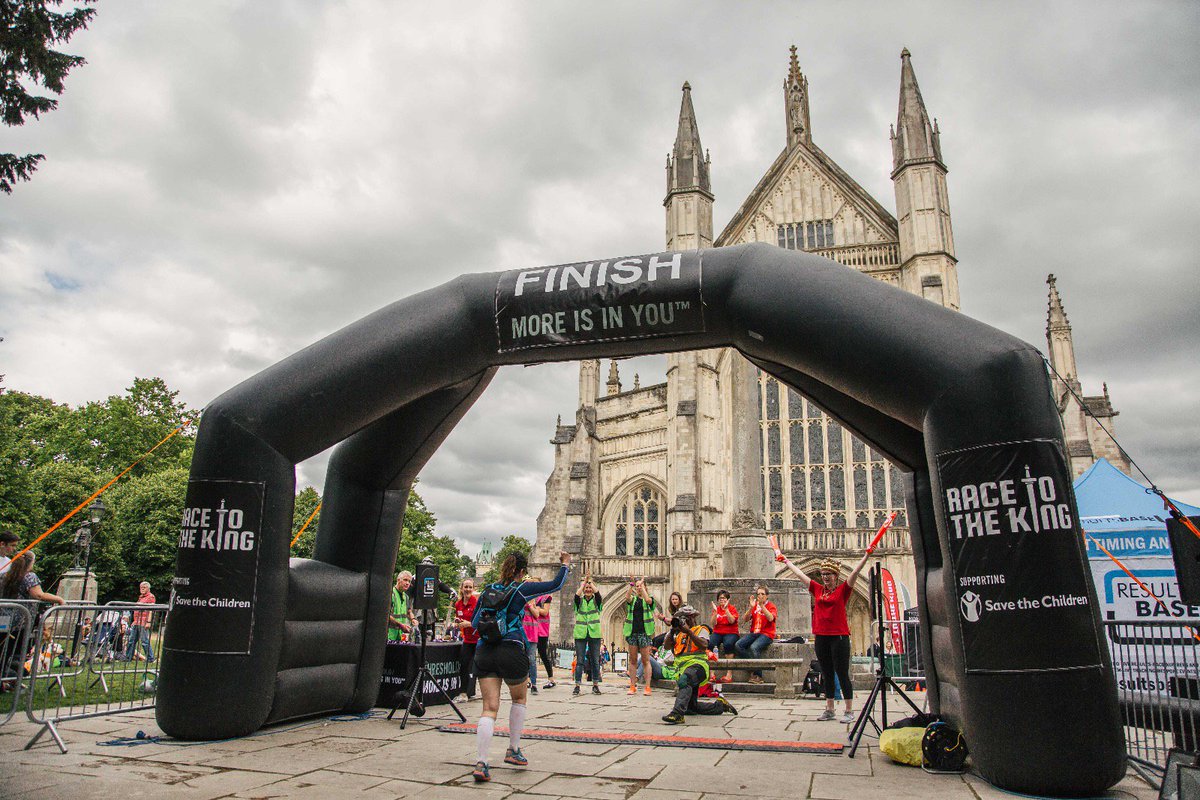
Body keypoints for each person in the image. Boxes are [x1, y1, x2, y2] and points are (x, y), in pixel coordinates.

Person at [470, 550, 571, 783]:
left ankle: (482, 762)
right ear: (523, 571)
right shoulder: (522, 589)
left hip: (485, 651)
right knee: (518, 700)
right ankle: (513, 750)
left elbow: (476, 623)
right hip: (510, 649)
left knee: (489, 708)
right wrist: (565, 564)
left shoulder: (487, 590)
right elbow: (555, 585)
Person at [778, 553, 869, 723]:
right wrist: (786, 561)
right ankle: (830, 709)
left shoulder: (843, 590)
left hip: (839, 636)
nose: (826, 577)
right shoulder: (817, 589)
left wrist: (866, 555)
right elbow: (800, 574)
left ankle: (849, 711)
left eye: (829, 574)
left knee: (842, 673)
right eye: (824, 574)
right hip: (821, 636)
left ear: (836, 576)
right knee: (826, 673)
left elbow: (855, 572)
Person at [660, 605, 737, 724]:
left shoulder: (701, 629)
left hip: (698, 667)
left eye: (685, 618)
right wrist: (672, 631)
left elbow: (704, 645)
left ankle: (677, 714)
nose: (683, 621)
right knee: (691, 708)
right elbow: (666, 646)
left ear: (692, 618)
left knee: (684, 681)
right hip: (684, 669)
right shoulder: (678, 634)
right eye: (681, 618)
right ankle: (720, 706)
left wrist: (689, 632)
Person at [734, 586, 777, 683]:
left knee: (754, 647)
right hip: (755, 632)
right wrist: (750, 608)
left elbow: (770, 618)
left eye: (762, 594)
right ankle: (753, 666)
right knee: (738, 645)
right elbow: (745, 619)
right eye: (758, 594)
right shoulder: (755, 606)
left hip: (767, 634)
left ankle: (758, 676)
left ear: (767, 596)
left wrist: (762, 606)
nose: (760, 596)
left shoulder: (771, 606)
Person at [624, 577, 655, 696]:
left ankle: (648, 686)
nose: (638, 588)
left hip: (644, 632)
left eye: (640, 586)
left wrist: (643, 588)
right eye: (637, 586)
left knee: (645, 660)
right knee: (632, 660)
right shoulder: (633, 600)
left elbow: (648, 600)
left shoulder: (649, 599)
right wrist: (631, 585)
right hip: (633, 632)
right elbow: (627, 597)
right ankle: (632, 685)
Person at [572, 576, 603, 695]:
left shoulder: (597, 601)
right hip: (581, 633)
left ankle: (595, 684)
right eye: (587, 588)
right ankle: (577, 685)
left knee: (595, 660)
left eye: (590, 588)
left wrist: (590, 582)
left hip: (594, 633)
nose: (588, 590)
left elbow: (598, 594)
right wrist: (584, 583)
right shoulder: (579, 601)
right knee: (580, 661)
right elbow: (576, 595)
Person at [453, 578, 479, 700]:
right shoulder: (458, 604)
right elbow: (459, 618)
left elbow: (481, 621)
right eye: (466, 587)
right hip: (467, 640)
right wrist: (457, 622)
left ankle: (474, 691)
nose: (468, 589)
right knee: (463, 664)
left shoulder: (477, 603)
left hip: (478, 639)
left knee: (477, 666)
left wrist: (468, 624)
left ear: (473, 589)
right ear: (462, 588)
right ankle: (463, 692)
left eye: (470, 587)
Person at [709, 590, 739, 682]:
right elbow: (713, 624)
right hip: (718, 632)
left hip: (731, 632)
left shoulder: (732, 608)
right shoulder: (716, 609)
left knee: (728, 644)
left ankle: (729, 674)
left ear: (728, 599)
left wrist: (726, 610)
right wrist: (715, 612)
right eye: (720, 598)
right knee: (711, 644)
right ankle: (712, 674)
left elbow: (731, 621)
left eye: (724, 598)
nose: (722, 600)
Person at [123, 581, 156, 662]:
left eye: (144, 588)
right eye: (141, 587)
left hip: (143, 622)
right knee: (131, 640)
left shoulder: (151, 597)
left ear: (148, 588)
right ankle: (128, 657)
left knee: (144, 641)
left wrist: (148, 622)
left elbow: (151, 610)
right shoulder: (141, 597)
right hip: (136, 621)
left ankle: (150, 658)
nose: (142, 589)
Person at [534, 593, 555, 689]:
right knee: (529, 656)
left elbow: (545, 612)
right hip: (532, 629)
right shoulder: (530, 596)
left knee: (543, 654)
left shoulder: (545, 597)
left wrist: (535, 608)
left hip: (542, 631)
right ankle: (529, 680)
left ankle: (551, 679)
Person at [389, 571, 415, 642]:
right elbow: (386, 615)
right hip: (389, 636)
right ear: (398, 580)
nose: (407, 583)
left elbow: (409, 611)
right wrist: (400, 625)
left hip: (400, 636)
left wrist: (413, 619)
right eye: (405, 580)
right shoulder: (390, 594)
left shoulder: (406, 596)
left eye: (409, 581)